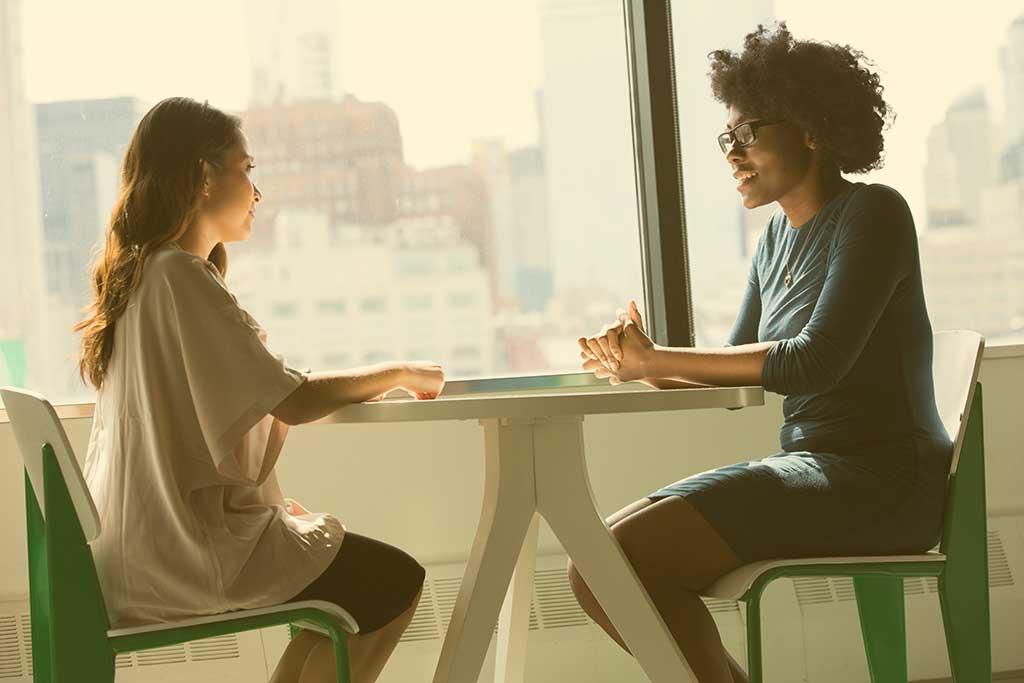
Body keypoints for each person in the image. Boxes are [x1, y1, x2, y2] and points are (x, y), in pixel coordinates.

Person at [572, 23, 953, 683]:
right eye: (728, 138)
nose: (732, 153)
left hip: (885, 482)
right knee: (594, 565)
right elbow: (736, 378)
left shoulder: (874, 214)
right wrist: (635, 361)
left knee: (623, 561)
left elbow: (813, 361)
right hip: (813, 467)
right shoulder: (775, 238)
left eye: (747, 134)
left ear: (810, 127)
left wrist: (657, 361)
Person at [76, 97, 445, 683]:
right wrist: (398, 372)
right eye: (246, 170)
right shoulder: (178, 276)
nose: (257, 190)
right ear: (204, 176)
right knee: (392, 581)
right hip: (180, 556)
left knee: (343, 596)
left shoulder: (145, 275)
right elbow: (291, 399)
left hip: (144, 547)